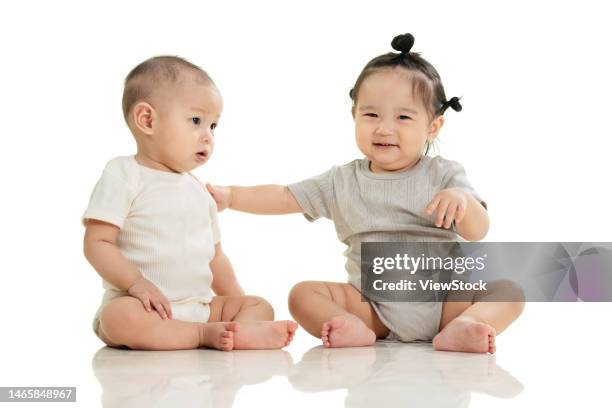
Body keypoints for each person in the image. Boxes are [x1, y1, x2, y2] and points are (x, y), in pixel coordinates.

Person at [208, 34, 524, 353]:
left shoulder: (444, 175)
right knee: (302, 294)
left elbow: (478, 230)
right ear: (354, 115)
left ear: (433, 127)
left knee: (509, 290)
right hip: (371, 306)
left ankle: (463, 326)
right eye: (371, 115)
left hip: (444, 301)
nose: (384, 128)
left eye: (403, 117)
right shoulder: (342, 181)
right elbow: (284, 196)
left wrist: (463, 201)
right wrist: (230, 196)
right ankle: (353, 328)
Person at [83, 56, 297, 351]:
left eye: (213, 126)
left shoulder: (198, 190)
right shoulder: (124, 173)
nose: (207, 136)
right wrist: (135, 284)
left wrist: (237, 303)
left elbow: (215, 257)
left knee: (260, 305)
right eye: (196, 121)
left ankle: (230, 331)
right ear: (147, 119)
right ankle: (199, 336)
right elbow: (97, 242)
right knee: (118, 319)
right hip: (142, 306)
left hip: (201, 307)